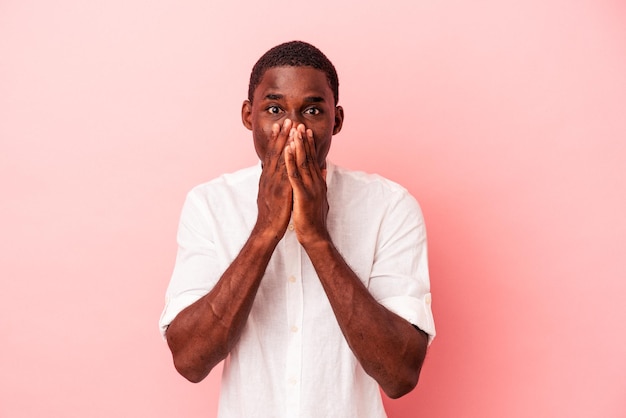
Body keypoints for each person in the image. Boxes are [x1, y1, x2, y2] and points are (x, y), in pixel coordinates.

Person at [159, 40, 436, 418]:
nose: (293, 129)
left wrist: (317, 238)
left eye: (312, 110)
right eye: (274, 109)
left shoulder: (390, 206)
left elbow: (400, 375)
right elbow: (190, 361)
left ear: (336, 120)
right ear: (248, 115)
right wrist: (265, 230)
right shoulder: (209, 205)